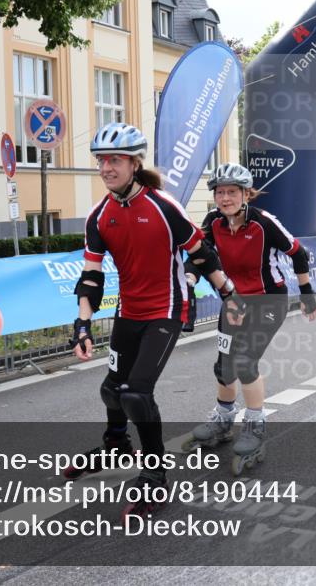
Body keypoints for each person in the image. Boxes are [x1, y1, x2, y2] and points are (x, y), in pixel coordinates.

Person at [66, 123, 246, 518]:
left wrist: (228, 294)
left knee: (135, 393)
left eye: (114, 160)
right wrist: (82, 324)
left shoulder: (164, 207)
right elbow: (91, 276)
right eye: (101, 161)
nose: (106, 168)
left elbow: (201, 254)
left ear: (134, 163)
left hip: (166, 311)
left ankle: (155, 476)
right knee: (111, 390)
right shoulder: (99, 216)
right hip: (128, 311)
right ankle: (116, 445)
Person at [183, 163, 316, 474]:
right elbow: (198, 256)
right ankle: (223, 418)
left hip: (268, 301)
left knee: (244, 362)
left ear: (246, 194)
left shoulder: (263, 222)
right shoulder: (212, 221)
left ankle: (255, 424)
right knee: (223, 365)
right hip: (233, 302)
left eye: (232, 192)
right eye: (220, 192)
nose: (226, 198)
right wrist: (189, 279)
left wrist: (308, 293)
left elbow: (298, 253)